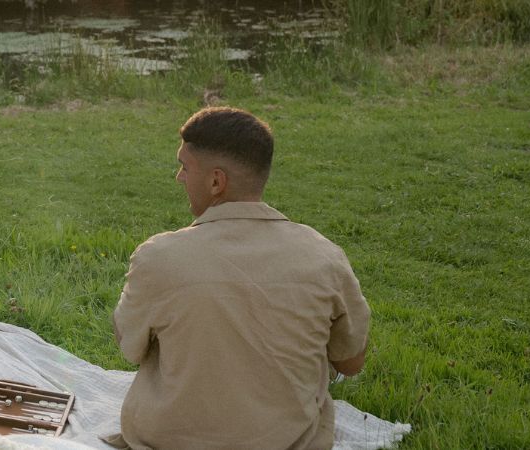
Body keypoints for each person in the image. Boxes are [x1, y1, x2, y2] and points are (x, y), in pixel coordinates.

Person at [107, 107, 370, 449]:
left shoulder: (158, 258)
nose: (179, 177)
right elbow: (351, 362)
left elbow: (130, 347)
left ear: (216, 181)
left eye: (185, 167)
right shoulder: (326, 258)